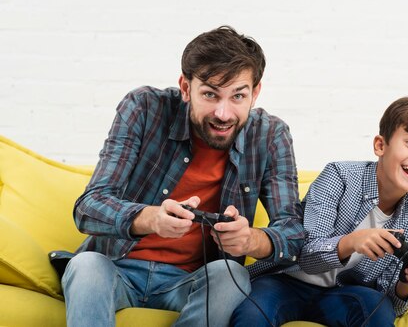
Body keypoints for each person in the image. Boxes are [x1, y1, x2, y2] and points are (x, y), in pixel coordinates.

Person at [50, 26, 304, 327]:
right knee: (86, 264)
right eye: (210, 94)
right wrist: (151, 218)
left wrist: (250, 240)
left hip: (191, 282)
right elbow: (88, 208)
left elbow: (293, 233)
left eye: (238, 96)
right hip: (116, 269)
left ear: (255, 92)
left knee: (232, 274)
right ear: (186, 88)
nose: (223, 113)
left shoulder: (270, 135)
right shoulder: (144, 108)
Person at [231, 96, 408, 327]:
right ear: (380, 145)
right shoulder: (340, 176)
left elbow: (391, 301)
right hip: (286, 279)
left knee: (378, 310)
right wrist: (351, 242)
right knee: (252, 314)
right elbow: (306, 254)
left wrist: (406, 282)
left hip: (340, 294)